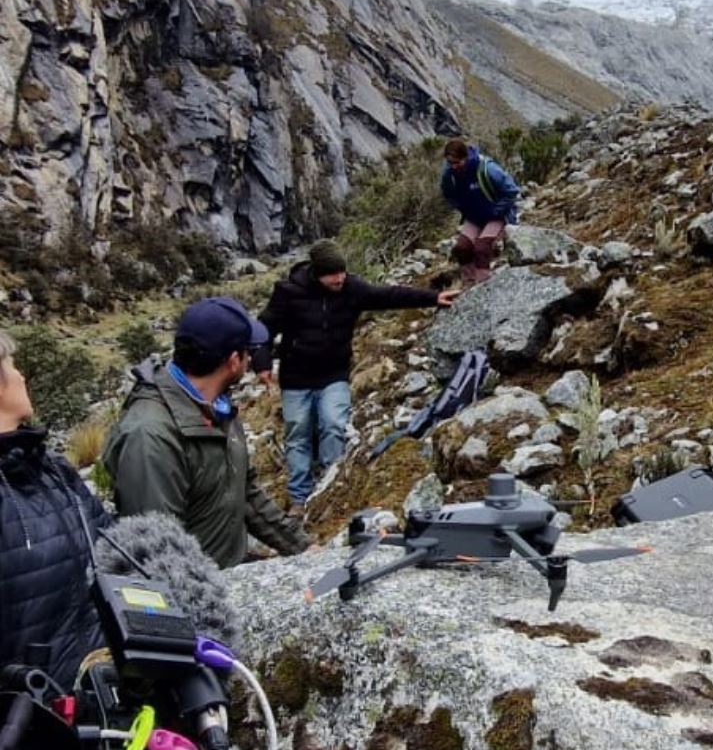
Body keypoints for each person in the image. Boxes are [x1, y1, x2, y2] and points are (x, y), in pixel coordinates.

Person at [102, 297, 309, 569]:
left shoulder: (217, 409)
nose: (250, 359)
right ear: (234, 361)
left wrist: (302, 547)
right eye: (248, 351)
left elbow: (243, 494)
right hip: (198, 595)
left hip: (230, 573)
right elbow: (157, 554)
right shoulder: (151, 436)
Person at [255, 240, 457, 504]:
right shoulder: (288, 292)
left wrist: (432, 298)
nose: (339, 279)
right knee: (298, 434)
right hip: (296, 378)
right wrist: (261, 363)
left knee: (333, 424)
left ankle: (329, 489)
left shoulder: (352, 288)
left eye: (342, 272)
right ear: (317, 273)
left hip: (333, 374)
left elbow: (388, 296)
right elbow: (263, 330)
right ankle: (298, 497)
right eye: (332, 274)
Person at [0, 329, 109, 690]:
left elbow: (113, 546)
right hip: (21, 726)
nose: (21, 375)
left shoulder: (52, 470)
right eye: (11, 365)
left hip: (96, 705)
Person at [440, 137, 519, 285]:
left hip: (496, 216)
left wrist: (496, 211)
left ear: (465, 158)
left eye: (457, 162)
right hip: (474, 217)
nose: (454, 166)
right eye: (450, 163)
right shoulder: (449, 175)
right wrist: (462, 208)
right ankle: (468, 283)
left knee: (481, 249)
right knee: (461, 248)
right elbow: (448, 193)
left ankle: (484, 284)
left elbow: (511, 191)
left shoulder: (487, 169)